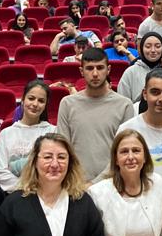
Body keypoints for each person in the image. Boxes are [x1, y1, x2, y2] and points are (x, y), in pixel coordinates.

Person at [56, 48, 135, 183]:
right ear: (81, 71)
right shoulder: (67, 104)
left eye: (100, 68)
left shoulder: (124, 105)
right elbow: (63, 148)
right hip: (75, 184)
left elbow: (124, 152)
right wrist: (77, 183)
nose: (95, 74)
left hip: (112, 184)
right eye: (89, 68)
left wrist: (95, 183)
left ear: (108, 70)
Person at [0, 81, 56, 191]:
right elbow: (1, 173)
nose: (35, 104)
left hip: (45, 192)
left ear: (46, 105)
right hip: (14, 194)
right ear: (23, 100)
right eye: (31, 98)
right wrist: (27, 188)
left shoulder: (53, 132)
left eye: (41, 101)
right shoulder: (6, 134)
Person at [116, 33, 162, 103]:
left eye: (157, 46)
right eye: (148, 47)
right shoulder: (130, 72)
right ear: (141, 49)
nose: (153, 50)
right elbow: (122, 102)